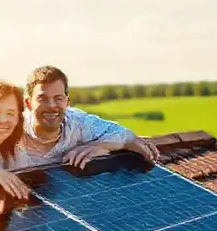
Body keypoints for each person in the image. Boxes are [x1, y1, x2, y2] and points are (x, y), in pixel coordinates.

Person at [21, 65, 159, 169]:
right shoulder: (11, 130)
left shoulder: (78, 123)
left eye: (58, 98)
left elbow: (125, 135)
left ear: (67, 102)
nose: (52, 106)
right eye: (42, 98)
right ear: (28, 103)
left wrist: (99, 146)